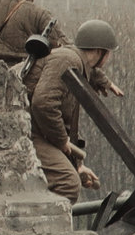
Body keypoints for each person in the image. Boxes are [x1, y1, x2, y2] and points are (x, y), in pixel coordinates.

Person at [27, 18, 117, 202]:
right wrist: (61, 141)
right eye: (109, 53)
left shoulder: (76, 65)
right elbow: (43, 103)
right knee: (67, 183)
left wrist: (77, 165)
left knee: (70, 177)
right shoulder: (68, 60)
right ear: (101, 52)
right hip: (25, 128)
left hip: (34, 126)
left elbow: (64, 121)